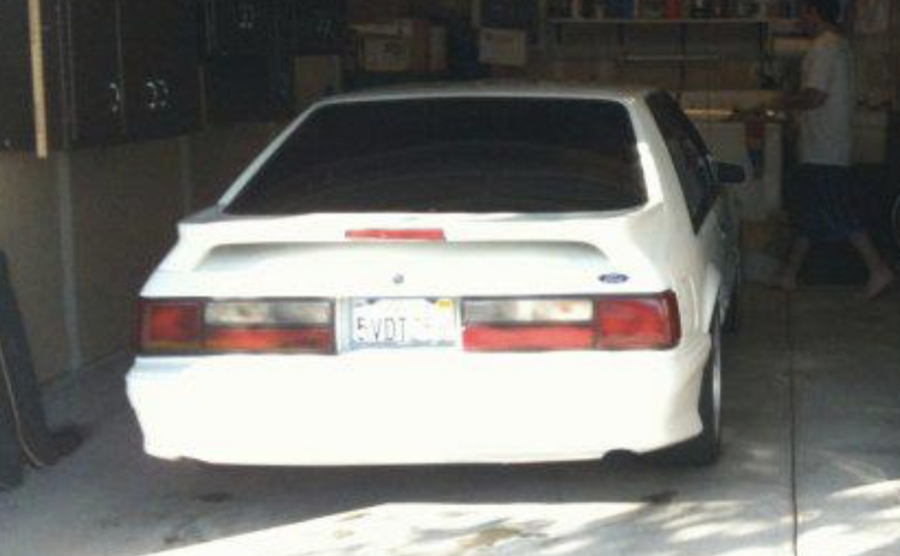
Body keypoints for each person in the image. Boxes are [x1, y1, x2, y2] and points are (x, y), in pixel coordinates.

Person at [772, 0, 895, 298]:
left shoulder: (824, 47)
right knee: (811, 211)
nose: (800, 19)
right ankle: (788, 275)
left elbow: (815, 96)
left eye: (803, 12)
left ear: (814, 12)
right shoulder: (839, 45)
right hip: (827, 145)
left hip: (823, 148)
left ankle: (878, 269)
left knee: (836, 210)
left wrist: (780, 103)